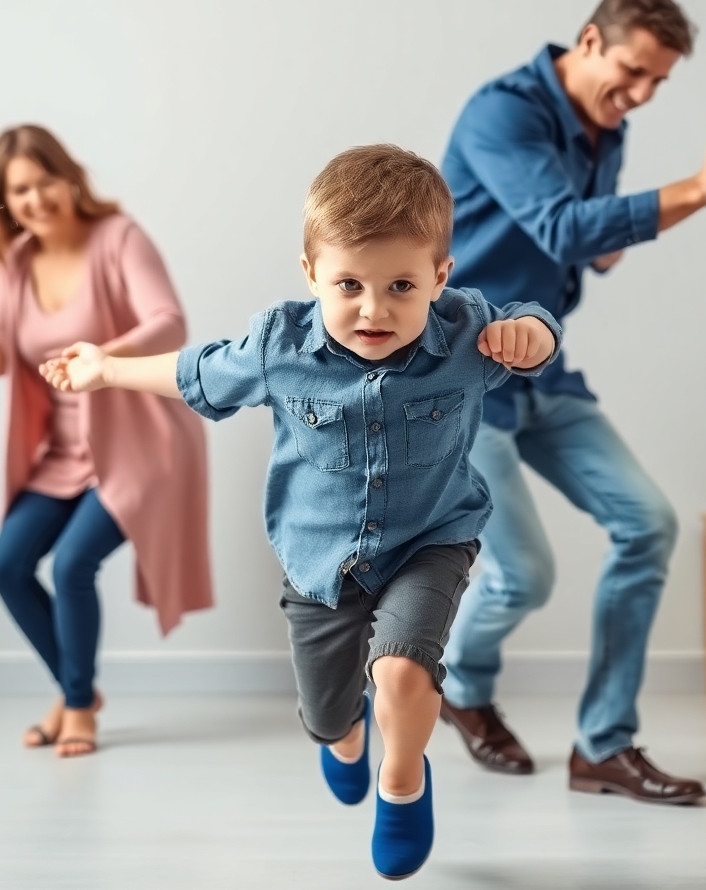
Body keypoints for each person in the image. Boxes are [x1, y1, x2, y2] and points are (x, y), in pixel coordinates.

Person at [40, 145, 562, 879]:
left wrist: (533, 337)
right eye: (349, 283)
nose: (374, 309)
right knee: (327, 717)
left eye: (402, 286)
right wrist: (106, 368)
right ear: (312, 272)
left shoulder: (466, 332)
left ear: (440, 279)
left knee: (403, 675)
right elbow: (195, 374)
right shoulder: (279, 345)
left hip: (431, 541)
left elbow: (533, 326)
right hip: (321, 564)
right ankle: (344, 736)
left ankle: (403, 781)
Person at [437, 0, 706, 803]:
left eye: (658, 83)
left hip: (544, 363)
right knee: (524, 577)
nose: (642, 95)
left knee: (647, 524)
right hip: (464, 372)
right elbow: (563, 227)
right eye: (632, 73)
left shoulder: (603, 130)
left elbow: (599, 249)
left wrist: (682, 200)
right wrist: (695, 189)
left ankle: (604, 747)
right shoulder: (502, 114)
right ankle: (459, 682)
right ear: (588, 42)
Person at [0, 125, 211, 758]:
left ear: (70, 175)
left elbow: (169, 321)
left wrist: (101, 356)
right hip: (62, 454)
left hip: (138, 444)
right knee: (6, 564)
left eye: (44, 179)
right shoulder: (14, 263)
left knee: (74, 563)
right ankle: (74, 685)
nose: (36, 197)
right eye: (19, 189)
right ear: (5, 201)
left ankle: (78, 705)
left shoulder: (120, 238)